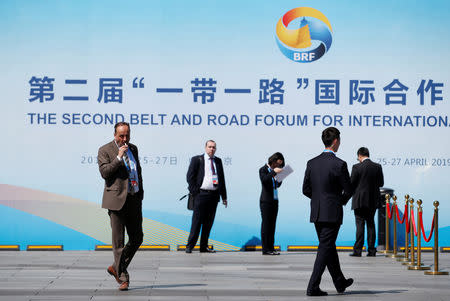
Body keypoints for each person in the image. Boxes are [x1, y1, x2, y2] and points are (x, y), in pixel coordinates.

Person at [302, 127, 353, 296]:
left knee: (328, 247)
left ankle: (339, 281)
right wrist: (338, 202)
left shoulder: (311, 162)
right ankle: (313, 286)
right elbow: (349, 190)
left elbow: (305, 189)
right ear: (336, 141)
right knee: (325, 248)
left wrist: (318, 200)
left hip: (317, 212)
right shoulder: (339, 164)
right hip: (332, 212)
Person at [98, 122, 144, 291]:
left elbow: (137, 171)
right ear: (115, 134)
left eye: (127, 135)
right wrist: (118, 157)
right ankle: (123, 277)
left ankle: (115, 267)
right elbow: (105, 173)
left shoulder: (134, 148)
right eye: (121, 136)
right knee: (118, 242)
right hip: (116, 201)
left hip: (133, 199)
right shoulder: (104, 150)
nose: (124, 139)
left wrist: (140, 193)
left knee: (137, 237)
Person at [185, 140, 227, 253]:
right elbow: (190, 177)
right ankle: (189, 246)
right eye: (209, 147)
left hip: (214, 196)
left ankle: (204, 246)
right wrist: (195, 192)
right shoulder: (197, 159)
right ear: (205, 147)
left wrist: (224, 196)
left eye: (214, 147)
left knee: (208, 223)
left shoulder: (218, 161)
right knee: (197, 222)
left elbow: (222, 179)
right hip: (201, 195)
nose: (212, 149)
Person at [349, 147, 384, 257]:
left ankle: (358, 250)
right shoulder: (377, 167)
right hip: (373, 200)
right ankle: (372, 250)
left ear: (359, 155)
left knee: (360, 224)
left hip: (359, 200)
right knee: (371, 224)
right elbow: (381, 183)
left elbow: (351, 184)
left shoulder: (356, 167)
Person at [259, 152, 284, 255]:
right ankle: (265, 249)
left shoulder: (275, 172)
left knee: (272, 225)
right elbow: (264, 180)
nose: (279, 166)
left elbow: (277, 184)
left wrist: (281, 175)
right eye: (278, 164)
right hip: (266, 201)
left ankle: (271, 247)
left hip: (275, 200)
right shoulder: (263, 169)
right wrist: (274, 172)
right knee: (266, 225)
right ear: (273, 161)